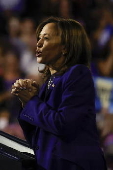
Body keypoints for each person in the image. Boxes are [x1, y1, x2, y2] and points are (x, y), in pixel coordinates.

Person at [11, 17, 107, 170]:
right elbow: (37, 137)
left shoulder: (77, 74)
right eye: (39, 38)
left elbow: (63, 124)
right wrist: (26, 101)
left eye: (46, 38)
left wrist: (31, 102)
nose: (39, 43)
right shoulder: (48, 83)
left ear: (65, 47)